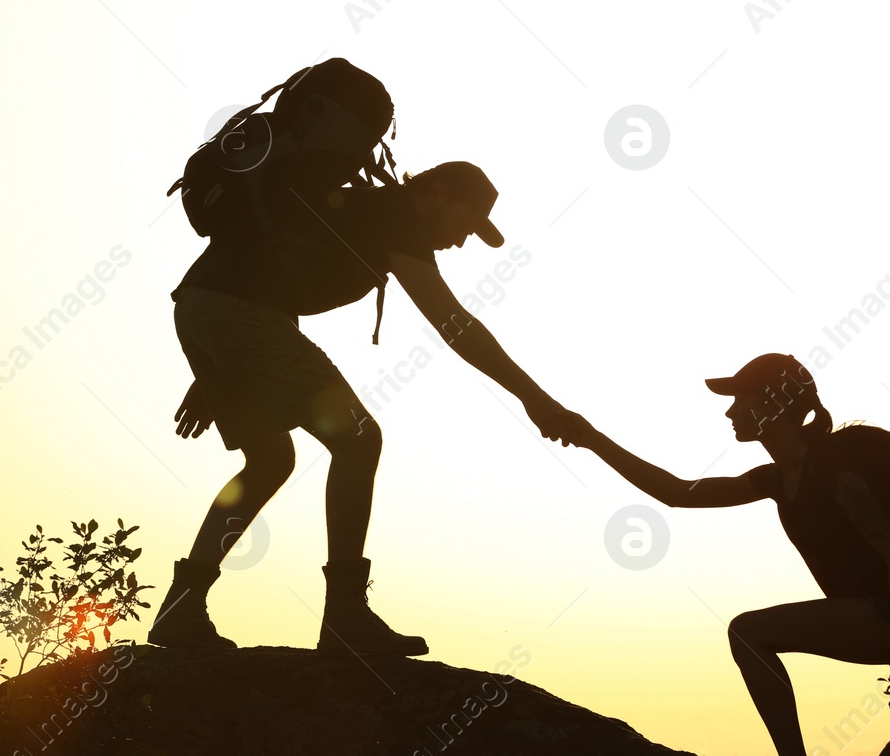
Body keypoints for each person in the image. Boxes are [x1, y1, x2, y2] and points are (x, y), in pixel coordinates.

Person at [152, 65, 580, 657]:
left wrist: (215, 363)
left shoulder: (354, 207)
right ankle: (345, 617)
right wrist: (536, 398)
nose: (460, 241)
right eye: (463, 223)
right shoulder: (394, 215)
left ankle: (181, 610)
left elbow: (273, 265)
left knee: (272, 457)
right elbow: (455, 325)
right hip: (233, 315)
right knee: (358, 439)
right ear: (432, 192)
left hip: (207, 309)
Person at [563, 352, 890, 756]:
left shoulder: (833, 468)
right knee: (750, 635)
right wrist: (591, 439)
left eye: (739, 400)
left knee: (749, 632)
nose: (729, 412)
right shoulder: (778, 478)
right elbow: (677, 492)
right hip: (879, 618)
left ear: (773, 402)